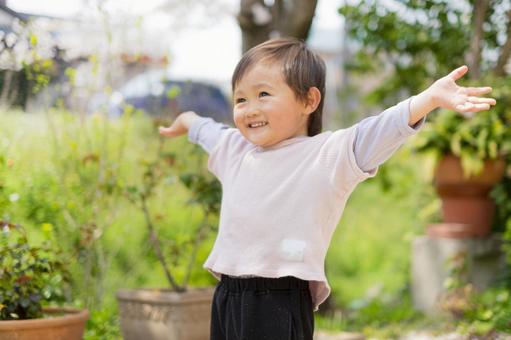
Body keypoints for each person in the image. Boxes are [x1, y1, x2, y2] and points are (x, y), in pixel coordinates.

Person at [158, 38, 496, 340]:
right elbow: (206, 129)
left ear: (309, 100)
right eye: (240, 99)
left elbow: (378, 131)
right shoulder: (234, 148)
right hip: (228, 295)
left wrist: (429, 99)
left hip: (280, 297)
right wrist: (186, 120)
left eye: (263, 94)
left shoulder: (327, 155)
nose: (250, 108)